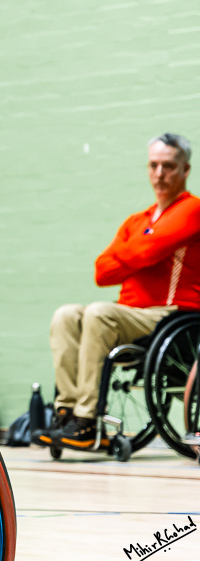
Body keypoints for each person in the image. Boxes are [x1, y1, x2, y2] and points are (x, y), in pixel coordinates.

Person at [35, 133, 200, 450]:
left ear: (185, 170)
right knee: (66, 314)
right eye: (153, 165)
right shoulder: (136, 221)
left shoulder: (192, 210)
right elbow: (102, 270)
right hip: (129, 314)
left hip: (170, 315)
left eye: (168, 166)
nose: (159, 173)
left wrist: (137, 253)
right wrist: (144, 250)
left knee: (99, 311)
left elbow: (145, 253)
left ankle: (86, 421)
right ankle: (66, 412)